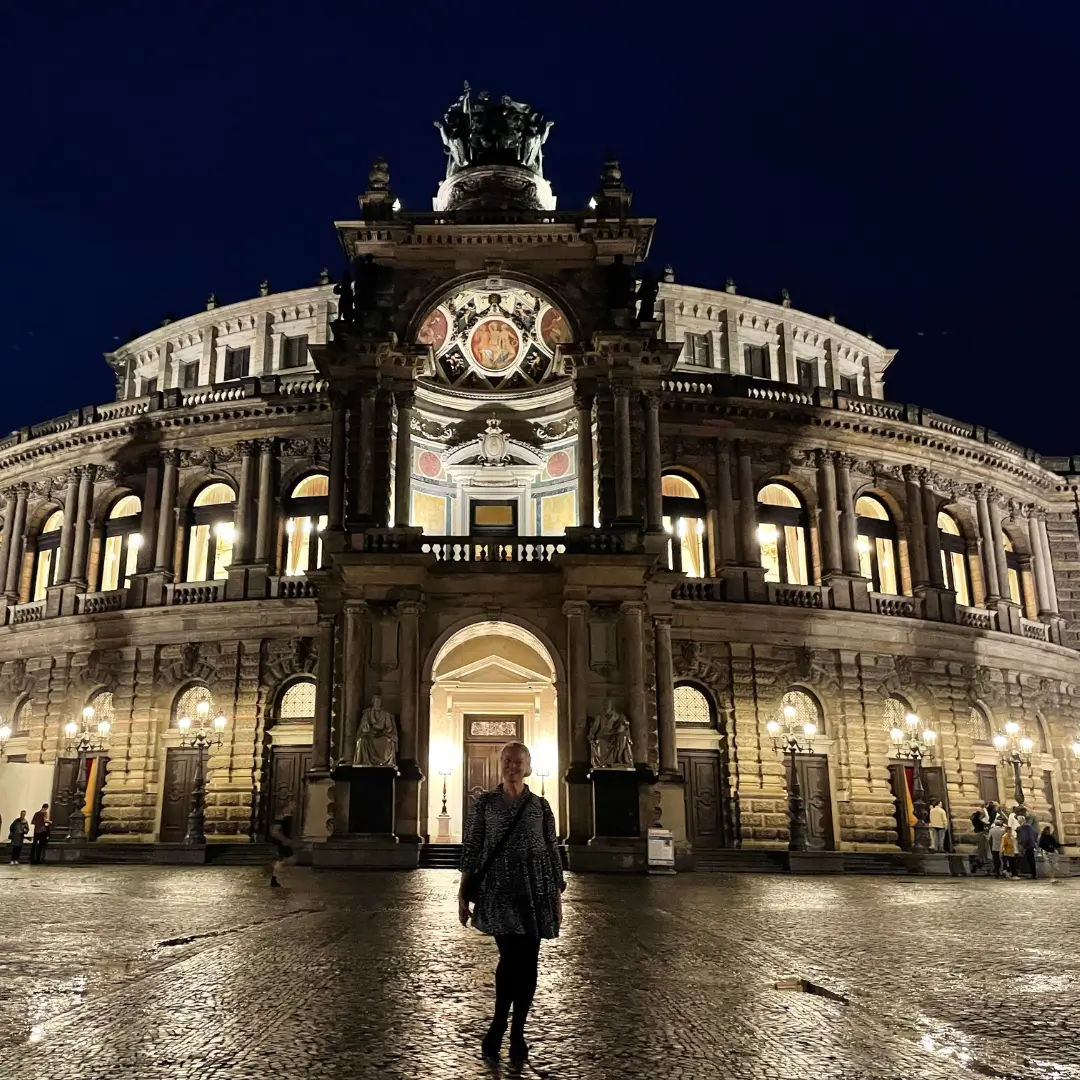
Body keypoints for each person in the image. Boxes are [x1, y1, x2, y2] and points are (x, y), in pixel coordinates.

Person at [458, 741, 565, 1069]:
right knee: (509, 959)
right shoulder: (484, 804)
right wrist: (463, 891)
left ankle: (518, 1030)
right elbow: (473, 846)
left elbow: (552, 848)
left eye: (518, 761)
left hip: (535, 890)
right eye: (507, 760)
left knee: (529, 960)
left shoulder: (540, 806)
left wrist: (557, 894)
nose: (512, 766)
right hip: (499, 889)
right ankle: (499, 1024)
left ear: (528, 767)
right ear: (500, 765)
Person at [268, 813, 295, 888]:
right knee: (285, 860)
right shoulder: (282, 817)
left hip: (283, 843)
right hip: (282, 843)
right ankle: (276, 879)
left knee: (283, 861)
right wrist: (285, 840)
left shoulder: (285, 817)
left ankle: (276, 879)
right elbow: (274, 832)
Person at [970, 802, 991, 874]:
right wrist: (984, 809)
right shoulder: (980, 821)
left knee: (980, 848)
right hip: (982, 834)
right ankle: (982, 861)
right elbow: (987, 818)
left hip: (977, 833)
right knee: (983, 848)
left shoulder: (974, 819)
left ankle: (980, 860)